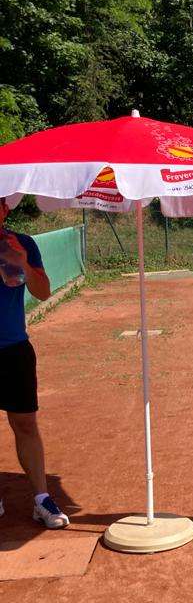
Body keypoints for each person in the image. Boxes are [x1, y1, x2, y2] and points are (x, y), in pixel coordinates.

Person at [0, 197, 69, 528]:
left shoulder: (22, 243)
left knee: (25, 424)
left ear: (5, 209)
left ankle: (41, 499)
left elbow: (42, 292)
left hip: (14, 348)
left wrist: (24, 261)